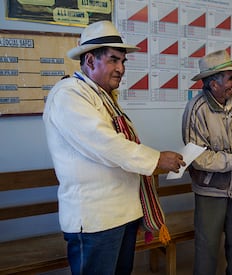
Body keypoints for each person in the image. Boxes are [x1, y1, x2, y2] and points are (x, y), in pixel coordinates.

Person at [43, 20, 186, 275]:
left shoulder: (103, 97)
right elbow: (106, 144)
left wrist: (154, 161)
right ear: (90, 60)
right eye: (113, 60)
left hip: (123, 215)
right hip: (96, 220)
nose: (121, 68)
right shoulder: (68, 94)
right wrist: (156, 160)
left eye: (123, 61)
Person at [182, 50, 232, 275]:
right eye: (230, 77)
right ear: (213, 84)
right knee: (207, 248)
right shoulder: (196, 109)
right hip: (211, 191)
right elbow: (198, 158)